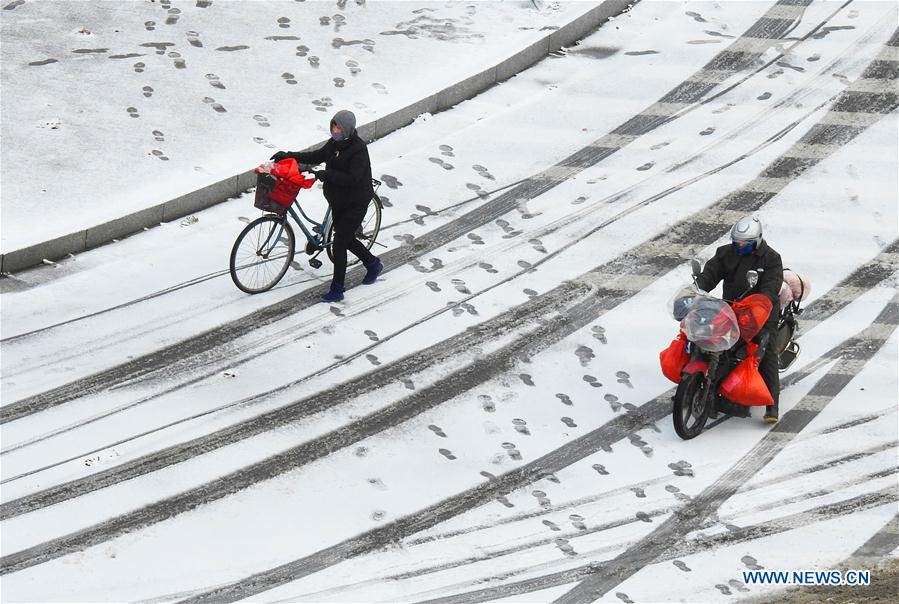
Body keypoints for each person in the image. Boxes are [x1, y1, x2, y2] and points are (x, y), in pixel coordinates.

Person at [271, 109, 383, 302]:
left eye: (338, 127)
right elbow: (316, 156)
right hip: (338, 199)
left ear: (347, 129)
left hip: (355, 201)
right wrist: (289, 155)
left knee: (339, 244)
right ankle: (373, 264)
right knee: (346, 239)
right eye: (333, 126)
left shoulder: (358, 150)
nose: (335, 130)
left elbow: (353, 178)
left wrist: (327, 175)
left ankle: (337, 289)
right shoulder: (333, 144)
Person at [695, 216, 784, 423]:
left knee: (765, 351)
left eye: (745, 244)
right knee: (702, 337)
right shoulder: (725, 253)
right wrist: (698, 289)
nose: (740, 246)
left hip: (761, 312)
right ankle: (695, 385)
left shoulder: (771, 259)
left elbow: (771, 288)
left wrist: (760, 304)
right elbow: (710, 273)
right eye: (737, 242)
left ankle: (772, 406)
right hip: (731, 307)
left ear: (758, 240)